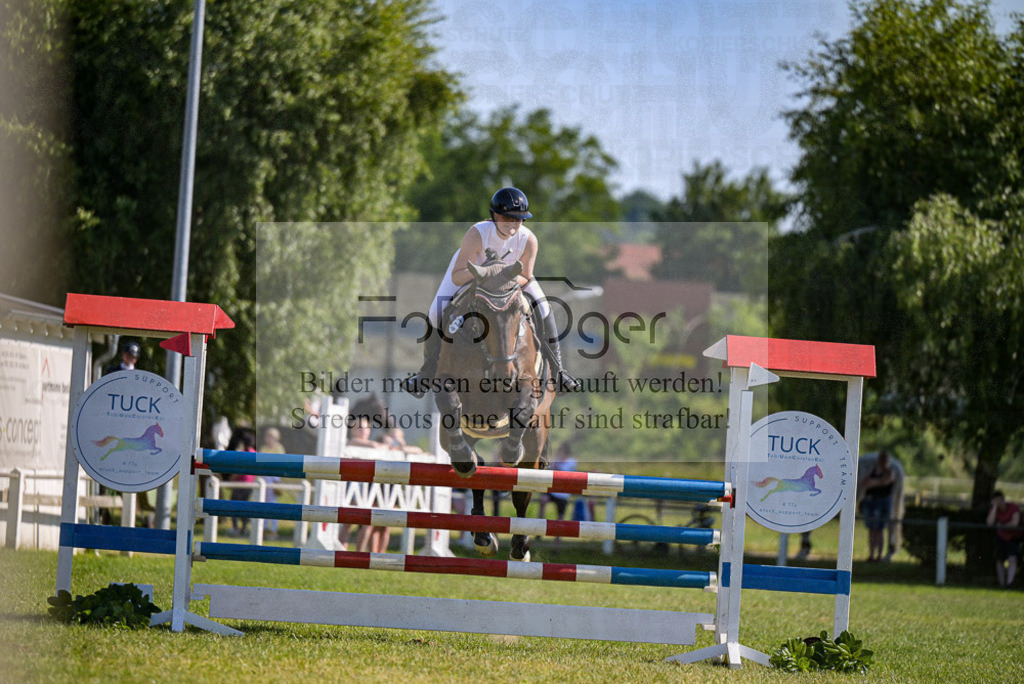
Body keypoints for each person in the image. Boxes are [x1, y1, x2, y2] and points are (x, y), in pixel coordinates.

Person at [401, 187, 581, 397]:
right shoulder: (477, 233)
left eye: (519, 219)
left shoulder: (529, 239)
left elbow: (526, 276)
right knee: (436, 312)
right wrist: (486, 275)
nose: (513, 224)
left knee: (544, 308)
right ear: (495, 215)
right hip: (471, 274)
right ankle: (425, 374)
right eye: (507, 218)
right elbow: (457, 276)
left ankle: (559, 374)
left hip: (510, 279)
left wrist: (500, 277)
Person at [346, 416, 391, 553]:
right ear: (353, 430)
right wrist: (386, 446)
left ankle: (366, 553)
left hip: (365, 487)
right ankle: (343, 549)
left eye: (366, 427)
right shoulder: (353, 441)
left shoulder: (370, 445)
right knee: (347, 523)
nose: (364, 430)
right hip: (351, 486)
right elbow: (374, 446)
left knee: (369, 522)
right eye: (360, 427)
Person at [859, 450, 895, 562]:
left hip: (881, 503)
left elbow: (884, 482)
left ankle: (879, 554)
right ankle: (871, 554)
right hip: (871, 502)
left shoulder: (890, 472)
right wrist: (875, 482)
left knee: (879, 530)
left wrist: (872, 482)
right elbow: (864, 483)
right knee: (872, 530)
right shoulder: (874, 471)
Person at [226, 427, 258, 537]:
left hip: (240, 483)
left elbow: (238, 470)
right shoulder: (255, 453)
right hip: (250, 484)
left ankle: (235, 528)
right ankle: (244, 528)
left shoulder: (242, 454)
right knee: (244, 506)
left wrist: (231, 480)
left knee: (234, 506)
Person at [987, 491, 1021, 588]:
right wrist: (994, 507)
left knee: (1012, 559)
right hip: (1001, 537)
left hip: (1013, 538)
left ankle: (1010, 583)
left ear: (1003, 499)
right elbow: (989, 523)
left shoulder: (1013, 508)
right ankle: (1002, 584)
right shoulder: (995, 510)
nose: (998, 502)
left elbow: (1015, 523)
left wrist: (1002, 525)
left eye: (999, 500)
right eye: (995, 501)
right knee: (999, 560)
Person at [259, 427, 285, 540]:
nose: (268, 439)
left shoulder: (279, 448)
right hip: (265, 476)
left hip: (274, 477)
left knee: (273, 503)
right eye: (267, 437)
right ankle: (263, 528)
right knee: (263, 503)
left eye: (270, 437)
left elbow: (280, 464)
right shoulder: (263, 448)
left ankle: (273, 529)